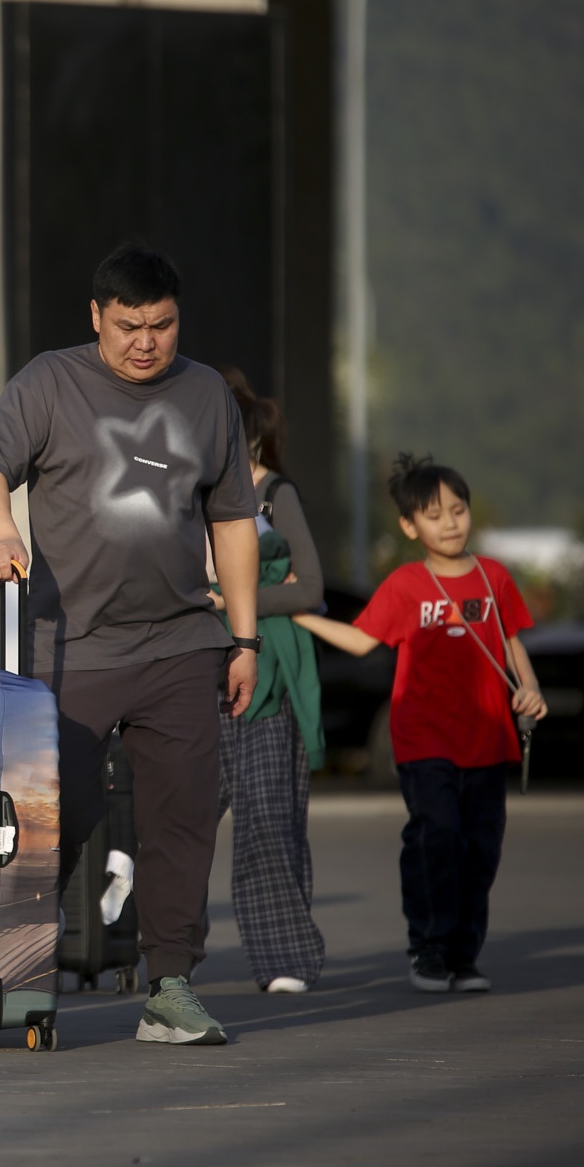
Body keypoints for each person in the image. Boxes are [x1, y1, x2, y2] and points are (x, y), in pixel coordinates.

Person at [0, 241, 259, 1047]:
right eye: (128, 325)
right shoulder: (49, 382)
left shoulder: (205, 395)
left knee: (182, 818)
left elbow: (232, 519)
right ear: (96, 317)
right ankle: (7, 961)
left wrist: (244, 637)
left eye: (160, 325)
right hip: (70, 645)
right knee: (54, 812)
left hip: (180, 643)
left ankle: (170, 986)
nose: (145, 342)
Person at [292, 455, 546, 994]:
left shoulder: (493, 577)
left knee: (481, 849)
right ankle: (428, 950)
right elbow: (361, 641)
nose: (450, 522)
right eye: (434, 515)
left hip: (487, 737)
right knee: (437, 836)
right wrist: (296, 612)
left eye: (458, 510)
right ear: (410, 527)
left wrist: (530, 689)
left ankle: (462, 956)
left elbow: (511, 640)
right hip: (423, 738)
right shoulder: (406, 585)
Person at [211, 369, 328, 994]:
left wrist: (228, 601)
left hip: (265, 681)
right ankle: (142, 950)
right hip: (187, 668)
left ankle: (285, 956)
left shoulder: (271, 492)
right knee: (165, 821)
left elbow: (309, 588)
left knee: (266, 818)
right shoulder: (178, 490)